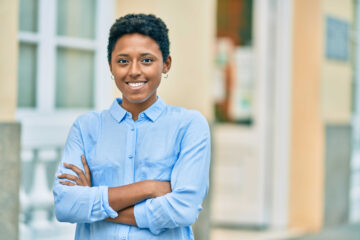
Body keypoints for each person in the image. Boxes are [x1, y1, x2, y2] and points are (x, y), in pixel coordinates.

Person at [53, 13, 211, 240]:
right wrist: (148, 188)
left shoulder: (189, 126)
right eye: (123, 61)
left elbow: (183, 209)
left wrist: (93, 204)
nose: (134, 70)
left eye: (146, 60)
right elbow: (65, 205)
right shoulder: (86, 128)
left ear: (166, 64)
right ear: (110, 66)